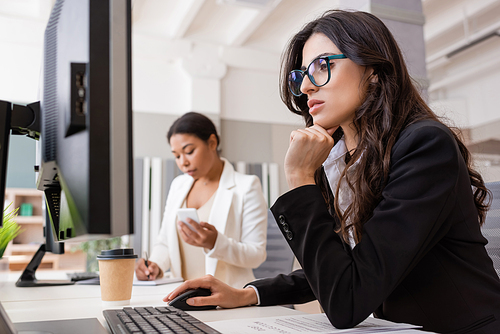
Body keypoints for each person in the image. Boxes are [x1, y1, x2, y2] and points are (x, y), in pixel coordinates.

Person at [164, 10, 500, 333]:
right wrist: (249, 294)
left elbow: (347, 300)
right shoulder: (338, 158)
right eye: (302, 76)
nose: (307, 86)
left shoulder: (425, 145)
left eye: (322, 66)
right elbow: (347, 263)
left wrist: (299, 179)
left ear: (373, 68)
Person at [135, 112, 268, 289]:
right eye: (177, 155)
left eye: (189, 151)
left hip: (227, 298)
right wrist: (154, 266)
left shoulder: (246, 186)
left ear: (212, 143)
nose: (183, 162)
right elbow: (166, 242)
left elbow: (256, 255)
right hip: (181, 298)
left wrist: (215, 243)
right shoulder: (178, 185)